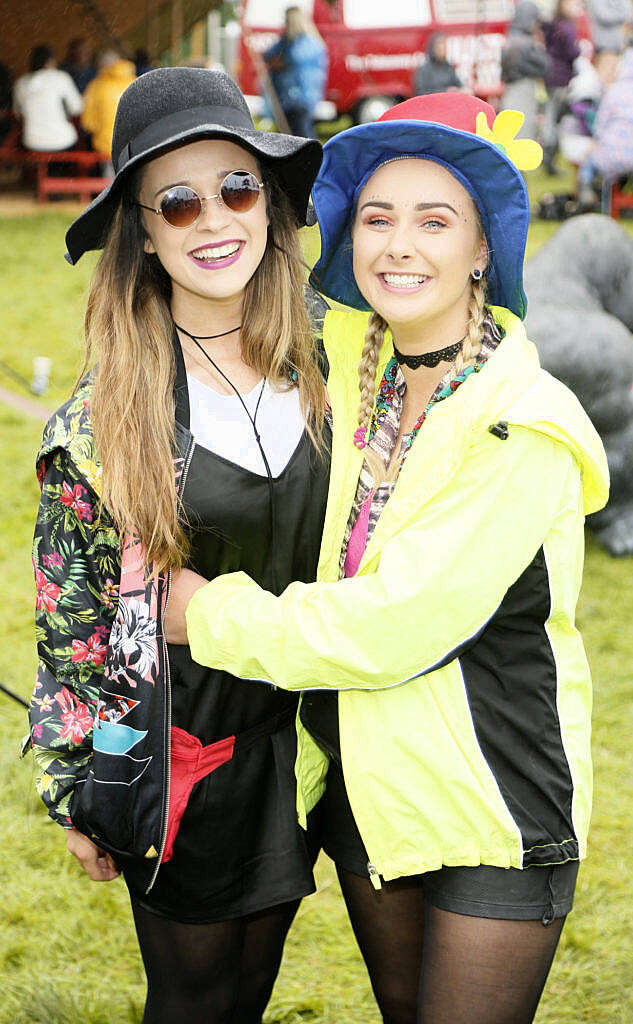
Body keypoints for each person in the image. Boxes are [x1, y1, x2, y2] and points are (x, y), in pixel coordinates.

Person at [165, 93, 610, 1024]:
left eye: (434, 221)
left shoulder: (520, 423)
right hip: (370, 788)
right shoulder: (338, 363)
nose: (398, 245)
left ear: (482, 250)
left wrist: (203, 613)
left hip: (493, 797)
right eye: (376, 218)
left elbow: (395, 621)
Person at [25, 66, 327, 1024]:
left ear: (271, 206)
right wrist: (79, 780)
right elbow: (75, 627)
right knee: (195, 1001)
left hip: (316, 746)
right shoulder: (100, 421)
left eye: (236, 189)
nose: (214, 221)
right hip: (184, 752)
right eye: (178, 202)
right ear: (144, 233)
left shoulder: (339, 361)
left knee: (253, 992)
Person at [577, 46, 633, 205]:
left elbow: (600, 126)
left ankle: (586, 191)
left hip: (611, 156)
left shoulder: (614, 91)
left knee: (588, 160)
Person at [263, 5, 328, 138]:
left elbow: (293, 59)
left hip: (297, 98)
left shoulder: (302, 43)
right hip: (294, 98)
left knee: (300, 134)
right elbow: (269, 56)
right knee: (296, 133)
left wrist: (280, 63)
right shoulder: (303, 41)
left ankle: (309, 158)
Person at [13, 44, 83, 151]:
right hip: (63, 140)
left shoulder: (21, 82)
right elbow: (77, 108)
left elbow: (18, 114)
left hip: (32, 142)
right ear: (50, 61)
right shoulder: (61, 77)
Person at [500, 1, 551, 139]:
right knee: (522, 132)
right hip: (522, 93)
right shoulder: (525, 43)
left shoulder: (511, 39)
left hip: (513, 92)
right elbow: (546, 65)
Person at [542, 0, 582, 173]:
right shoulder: (566, 26)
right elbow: (571, 51)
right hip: (561, 78)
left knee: (552, 117)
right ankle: (550, 159)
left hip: (551, 77)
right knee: (557, 120)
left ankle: (549, 158)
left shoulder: (553, 24)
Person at [80, 49, 136, 162]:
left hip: (106, 147)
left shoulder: (95, 86)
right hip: (133, 146)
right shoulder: (135, 82)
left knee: (110, 178)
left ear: (101, 66)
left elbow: (87, 123)